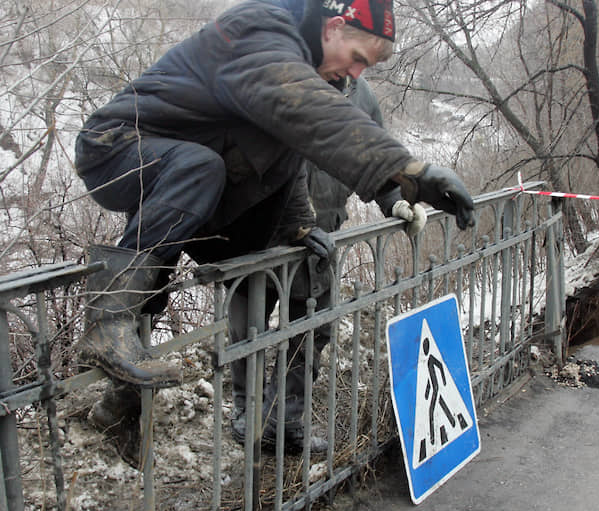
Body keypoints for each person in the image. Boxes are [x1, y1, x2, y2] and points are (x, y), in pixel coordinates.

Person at [73, 0, 476, 464]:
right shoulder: (260, 29)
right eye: (359, 57)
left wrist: (297, 224)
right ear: (335, 25)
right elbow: (309, 114)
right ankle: (107, 322)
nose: (357, 74)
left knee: (212, 240)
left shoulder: (304, 61)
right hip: (117, 145)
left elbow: (291, 150)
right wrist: (409, 171)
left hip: (192, 171)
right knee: (198, 170)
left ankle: (122, 399)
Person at [227, 74, 426, 454]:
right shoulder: (285, 71)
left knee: (312, 330)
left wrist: (396, 200)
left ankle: (281, 422)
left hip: (320, 236)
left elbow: (373, 157)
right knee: (247, 329)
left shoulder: (359, 93)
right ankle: (245, 414)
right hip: (261, 231)